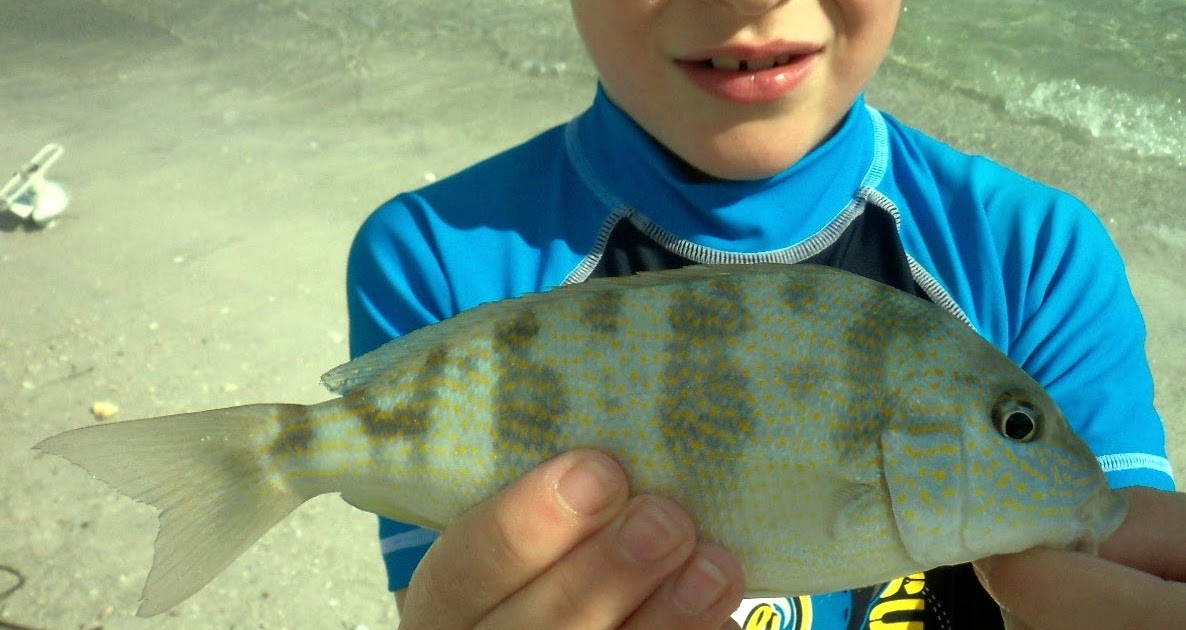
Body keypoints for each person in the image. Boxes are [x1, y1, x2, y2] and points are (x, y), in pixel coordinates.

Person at [345, 0, 1181, 628]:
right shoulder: (431, 257)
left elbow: (1120, 553)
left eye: (1017, 424)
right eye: (1016, 425)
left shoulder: (1032, 256)